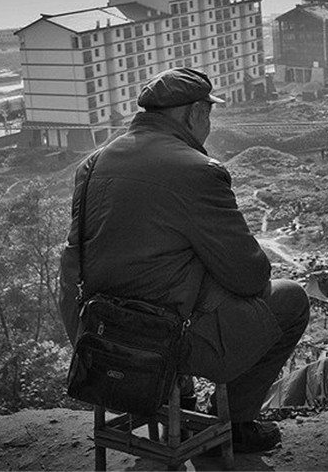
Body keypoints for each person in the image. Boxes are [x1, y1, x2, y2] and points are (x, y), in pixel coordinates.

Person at [59, 66, 310, 453]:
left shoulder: (91, 166)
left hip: (102, 332)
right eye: (208, 113)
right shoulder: (198, 171)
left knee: (170, 285)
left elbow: (77, 258)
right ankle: (237, 422)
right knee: (290, 299)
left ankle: (184, 401)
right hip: (167, 340)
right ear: (194, 113)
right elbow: (249, 276)